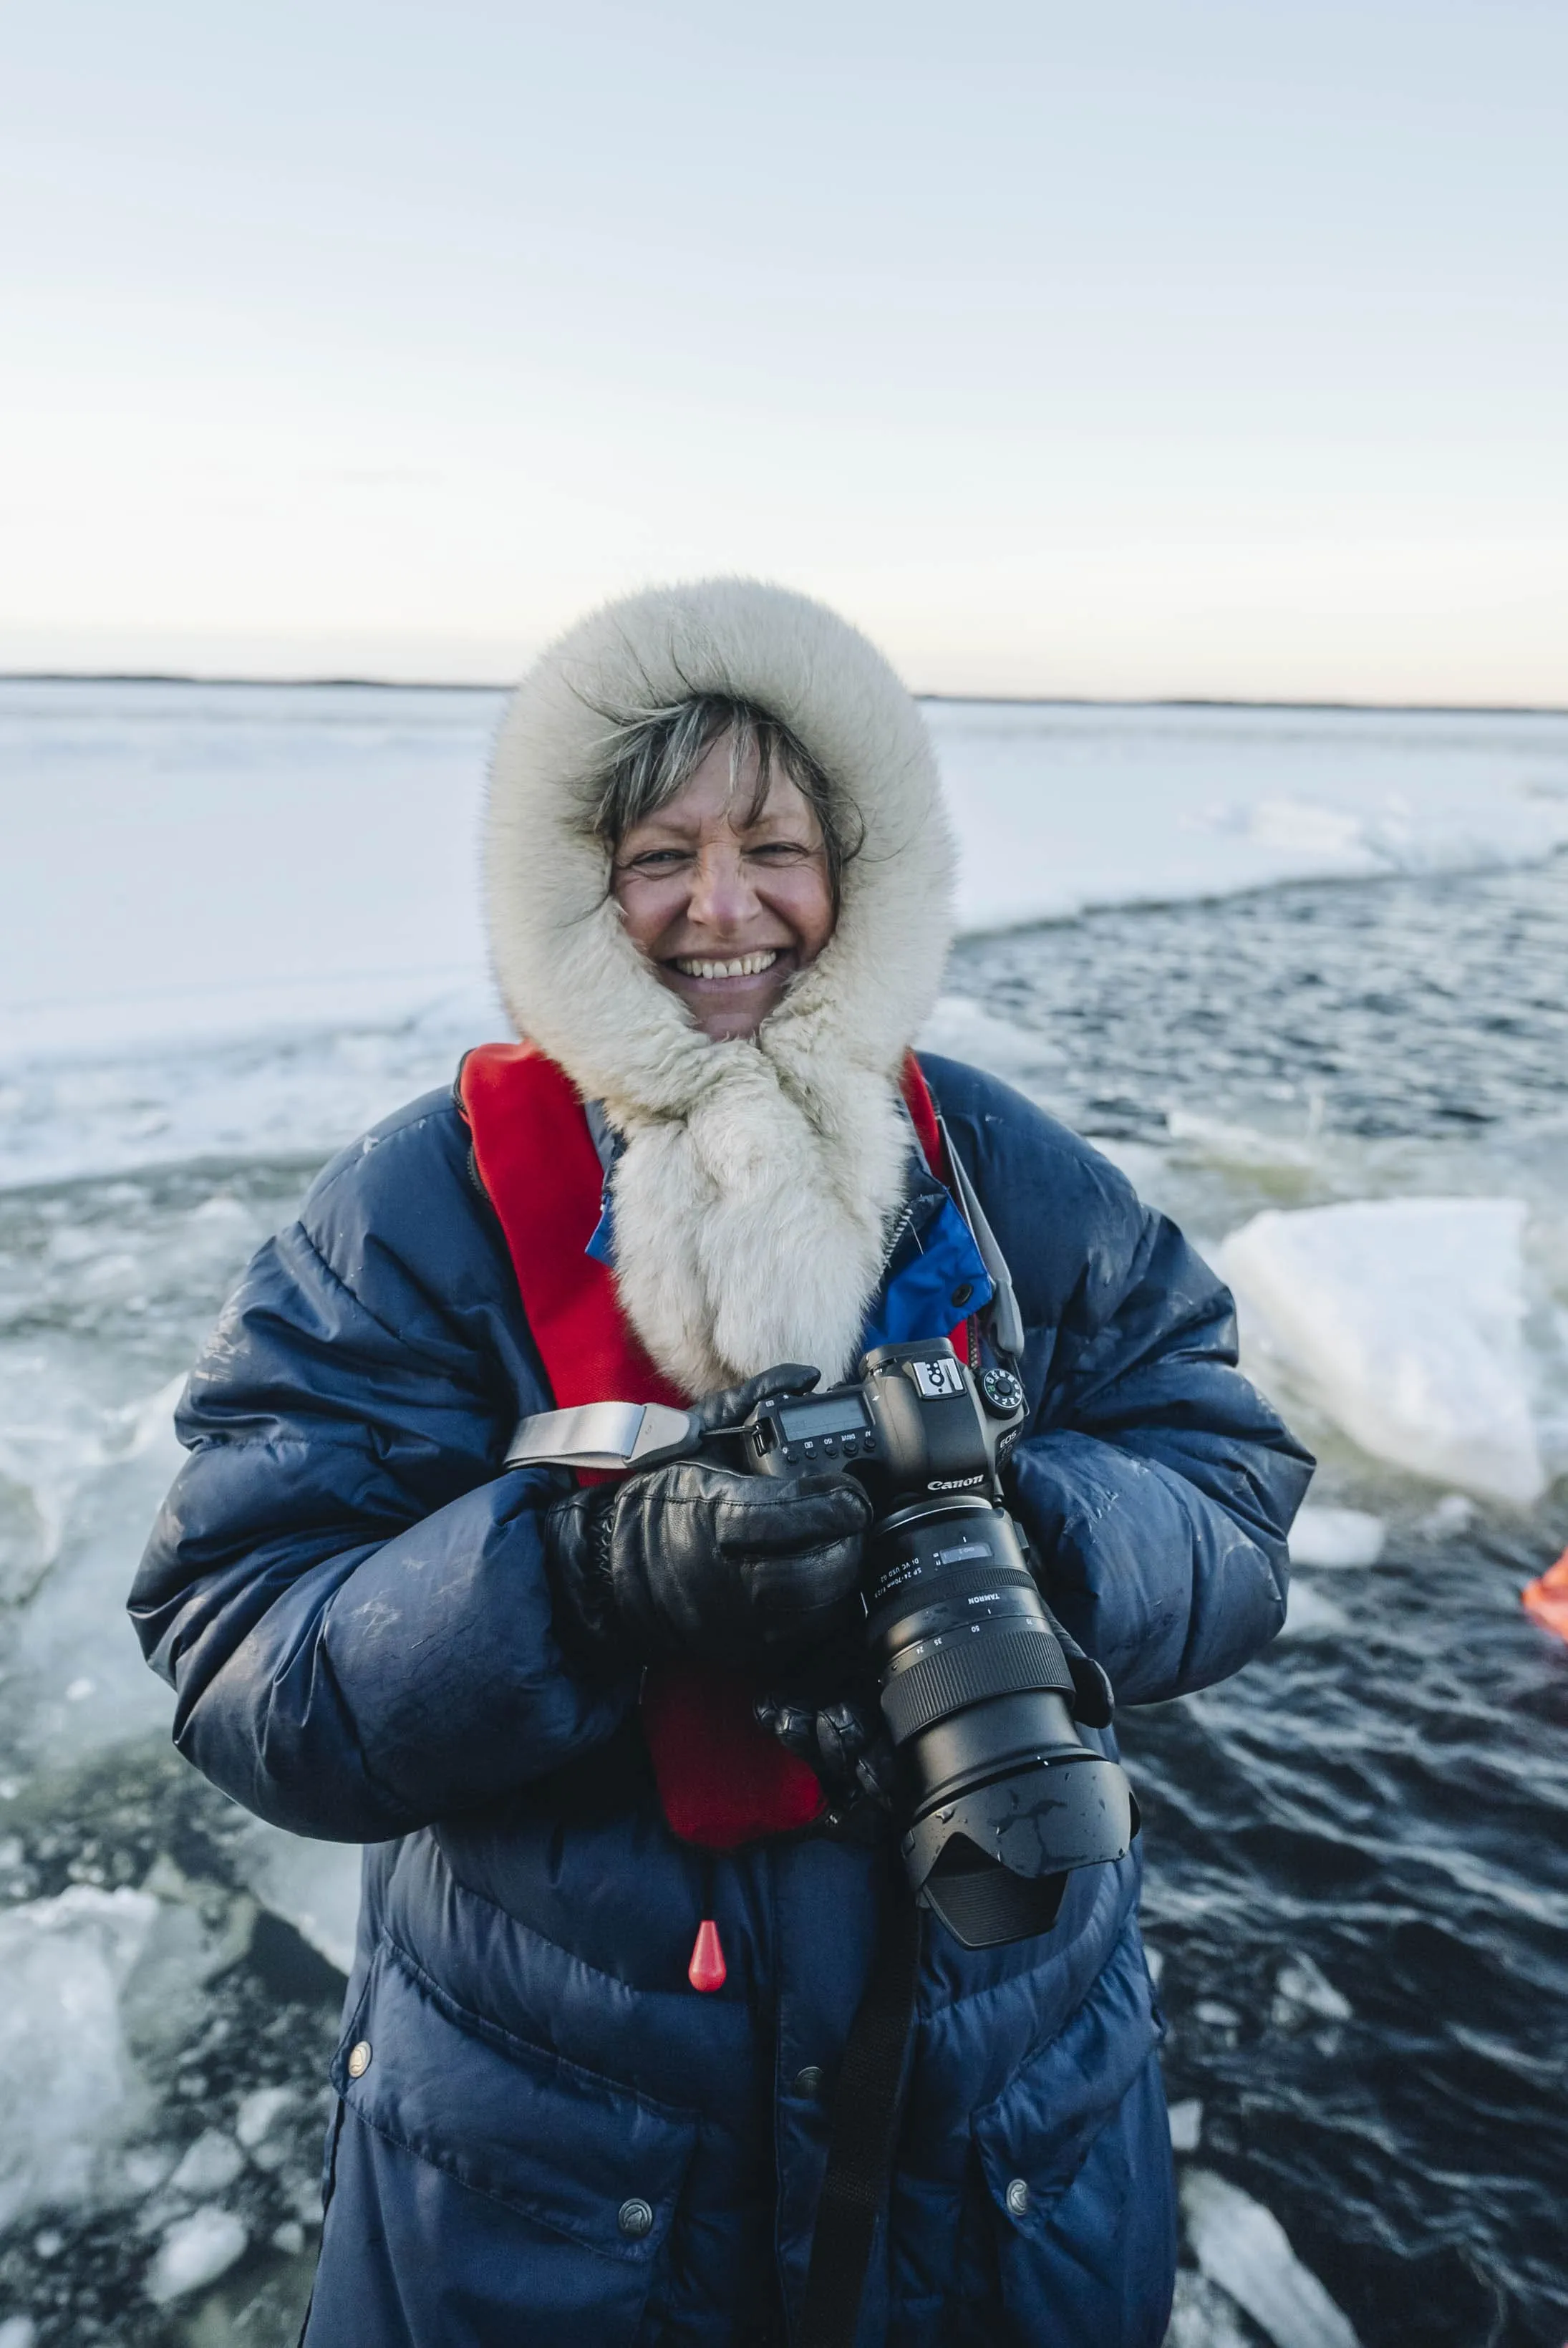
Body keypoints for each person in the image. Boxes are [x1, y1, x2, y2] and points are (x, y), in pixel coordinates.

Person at [131, 579, 1312, 2348]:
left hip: (1000, 2123)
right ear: (577, 885)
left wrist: (1040, 1536)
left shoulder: (995, 1167)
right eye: (659, 852)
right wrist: (585, 1579)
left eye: (775, 843)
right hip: (564, 2161)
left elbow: (1224, 1471)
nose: (724, 906)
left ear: (860, 867)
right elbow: (240, 1638)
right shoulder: (423, 1208)